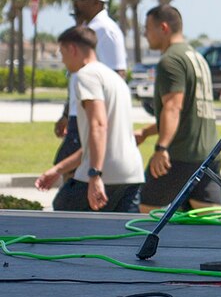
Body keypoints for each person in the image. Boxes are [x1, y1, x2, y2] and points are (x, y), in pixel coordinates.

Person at [35, 27, 144, 213]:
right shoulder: (116, 79)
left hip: (104, 174)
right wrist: (57, 170)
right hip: (132, 175)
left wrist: (94, 175)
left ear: (72, 49)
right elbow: (96, 142)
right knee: (122, 239)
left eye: (62, 52)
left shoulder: (85, 75)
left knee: (62, 211)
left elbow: (99, 126)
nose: (62, 60)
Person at [135, 4, 221, 209]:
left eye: (147, 28)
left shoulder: (171, 60)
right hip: (208, 156)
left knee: (148, 215)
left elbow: (173, 107)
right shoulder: (197, 58)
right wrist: (146, 132)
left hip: (179, 156)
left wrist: (161, 148)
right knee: (211, 229)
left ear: (163, 28)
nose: (145, 34)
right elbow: (187, 113)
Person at [52, 0, 127, 168]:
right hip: (80, 113)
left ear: (96, 3)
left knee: (68, 168)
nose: (75, 4)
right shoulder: (89, 28)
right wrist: (67, 114)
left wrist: (107, 116)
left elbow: (117, 74)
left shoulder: (106, 29)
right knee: (70, 168)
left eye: (80, 1)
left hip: (91, 114)